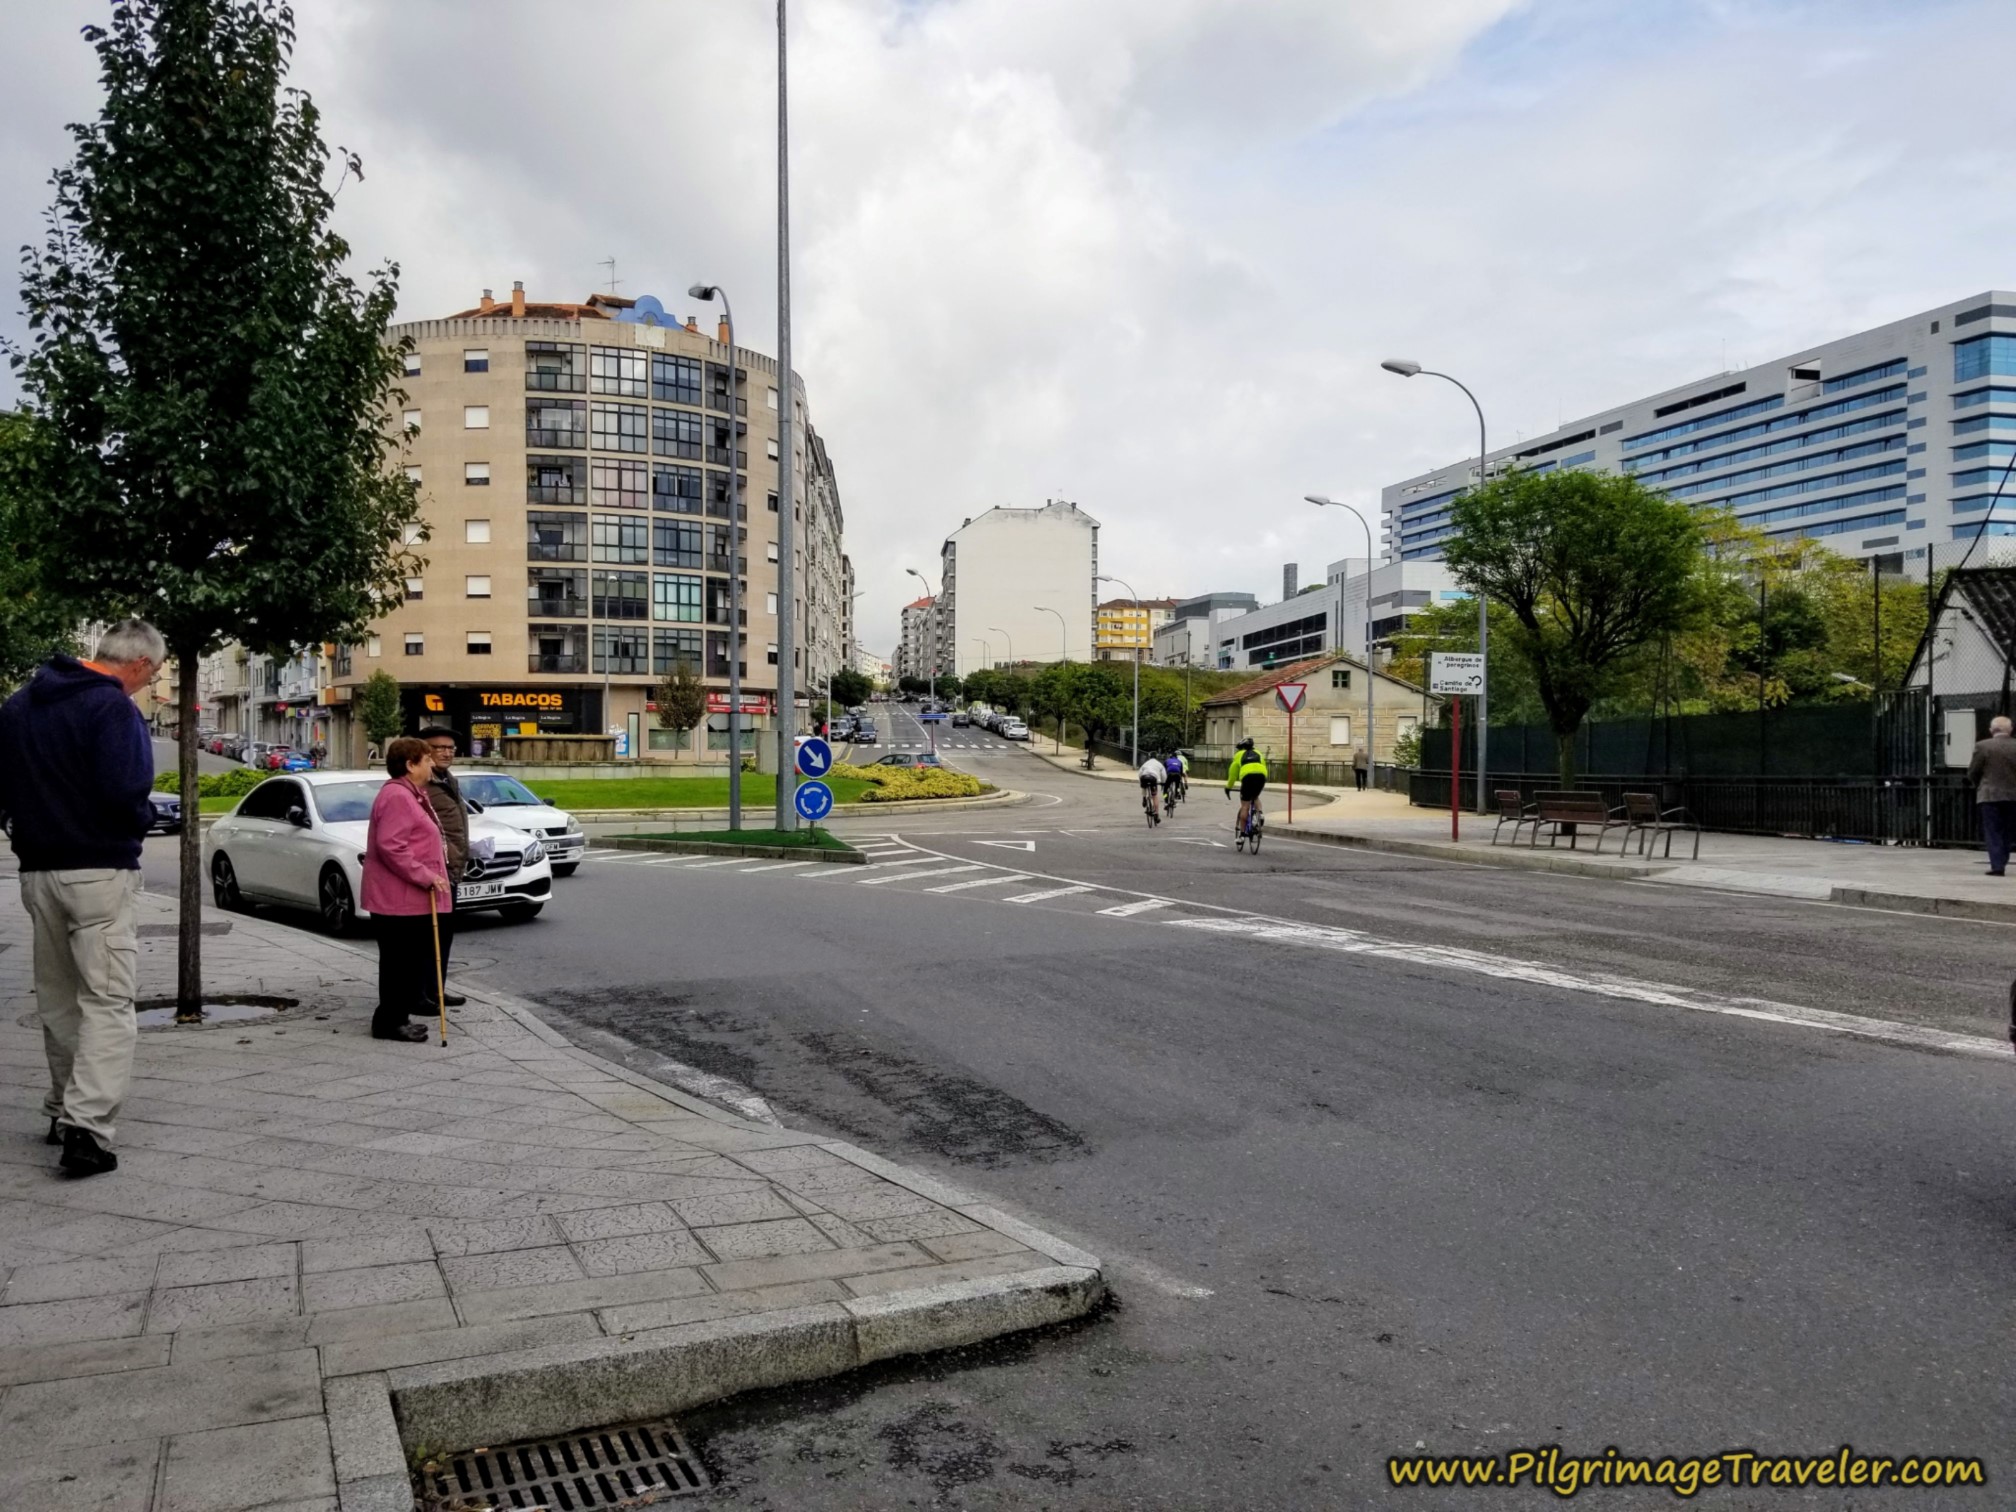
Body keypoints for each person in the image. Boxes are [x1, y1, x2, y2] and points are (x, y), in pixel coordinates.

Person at [0, 619, 164, 1178]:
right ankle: (87, 1131)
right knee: (109, 1003)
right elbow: (127, 790)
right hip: (98, 869)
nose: (150, 683)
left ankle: (59, 1110)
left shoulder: (20, 705)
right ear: (138, 664)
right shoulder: (112, 708)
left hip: (37, 871)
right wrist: (138, 825)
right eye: (155, 673)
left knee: (59, 997)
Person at [361, 737, 453, 1043]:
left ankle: (397, 1018)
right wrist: (425, 875)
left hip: (407, 897)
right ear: (410, 765)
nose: (431, 764)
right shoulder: (398, 796)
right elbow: (392, 846)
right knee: (399, 963)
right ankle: (389, 1023)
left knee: (406, 961)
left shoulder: (411, 794)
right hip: (397, 899)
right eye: (426, 759)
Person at [417, 726, 470, 1008]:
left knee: (444, 936)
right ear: (423, 751)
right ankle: (421, 995)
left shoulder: (448, 779)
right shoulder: (421, 785)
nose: (447, 752)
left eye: (450, 748)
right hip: (433, 871)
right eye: (439, 747)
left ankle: (437, 989)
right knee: (428, 937)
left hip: (452, 869)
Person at [1968, 715, 2016, 876]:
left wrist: (1977, 785)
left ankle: (1997, 865)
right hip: (2013, 795)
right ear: (2010, 729)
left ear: (1991, 730)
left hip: (1989, 794)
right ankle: (2002, 859)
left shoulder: (1983, 746)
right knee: (2008, 831)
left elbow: (1974, 771)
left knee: (1993, 830)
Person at [1225, 737, 1269, 839]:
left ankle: (1242, 835)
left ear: (1241, 748)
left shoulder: (1238, 756)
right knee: (1255, 796)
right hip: (1261, 776)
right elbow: (1264, 767)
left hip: (1247, 778)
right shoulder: (1258, 753)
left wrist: (1228, 787)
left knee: (1245, 806)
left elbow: (1232, 775)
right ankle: (1260, 814)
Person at [1137, 753, 1165, 819]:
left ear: (1149, 757)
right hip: (1153, 778)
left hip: (1144, 777)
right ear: (1156, 757)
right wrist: (1163, 783)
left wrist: (1140, 781)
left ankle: (1144, 798)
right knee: (1154, 796)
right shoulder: (1159, 764)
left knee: (1144, 786)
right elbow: (1164, 775)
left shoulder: (1146, 763)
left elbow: (1140, 773)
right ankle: (1156, 814)